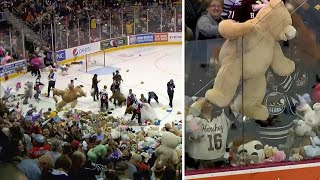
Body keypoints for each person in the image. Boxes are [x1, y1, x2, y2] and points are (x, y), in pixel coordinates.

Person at [195, 0, 223, 68]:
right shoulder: (203, 19)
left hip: (218, 59)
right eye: (213, 6)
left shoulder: (222, 20)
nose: (216, 8)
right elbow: (208, 29)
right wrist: (225, 29)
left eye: (219, 6)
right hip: (204, 61)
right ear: (207, 8)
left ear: (222, 9)